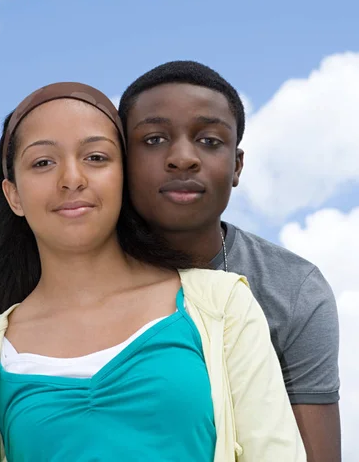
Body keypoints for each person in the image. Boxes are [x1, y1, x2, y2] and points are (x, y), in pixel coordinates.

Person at [0, 82, 305, 462]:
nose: (72, 178)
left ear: (123, 177)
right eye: (43, 162)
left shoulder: (222, 306)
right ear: (14, 196)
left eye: (95, 158)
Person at [118, 60, 341, 462]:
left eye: (209, 141)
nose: (183, 158)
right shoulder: (73, 272)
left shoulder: (293, 290)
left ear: (237, 166)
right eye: (153, 140)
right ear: (121, 159)